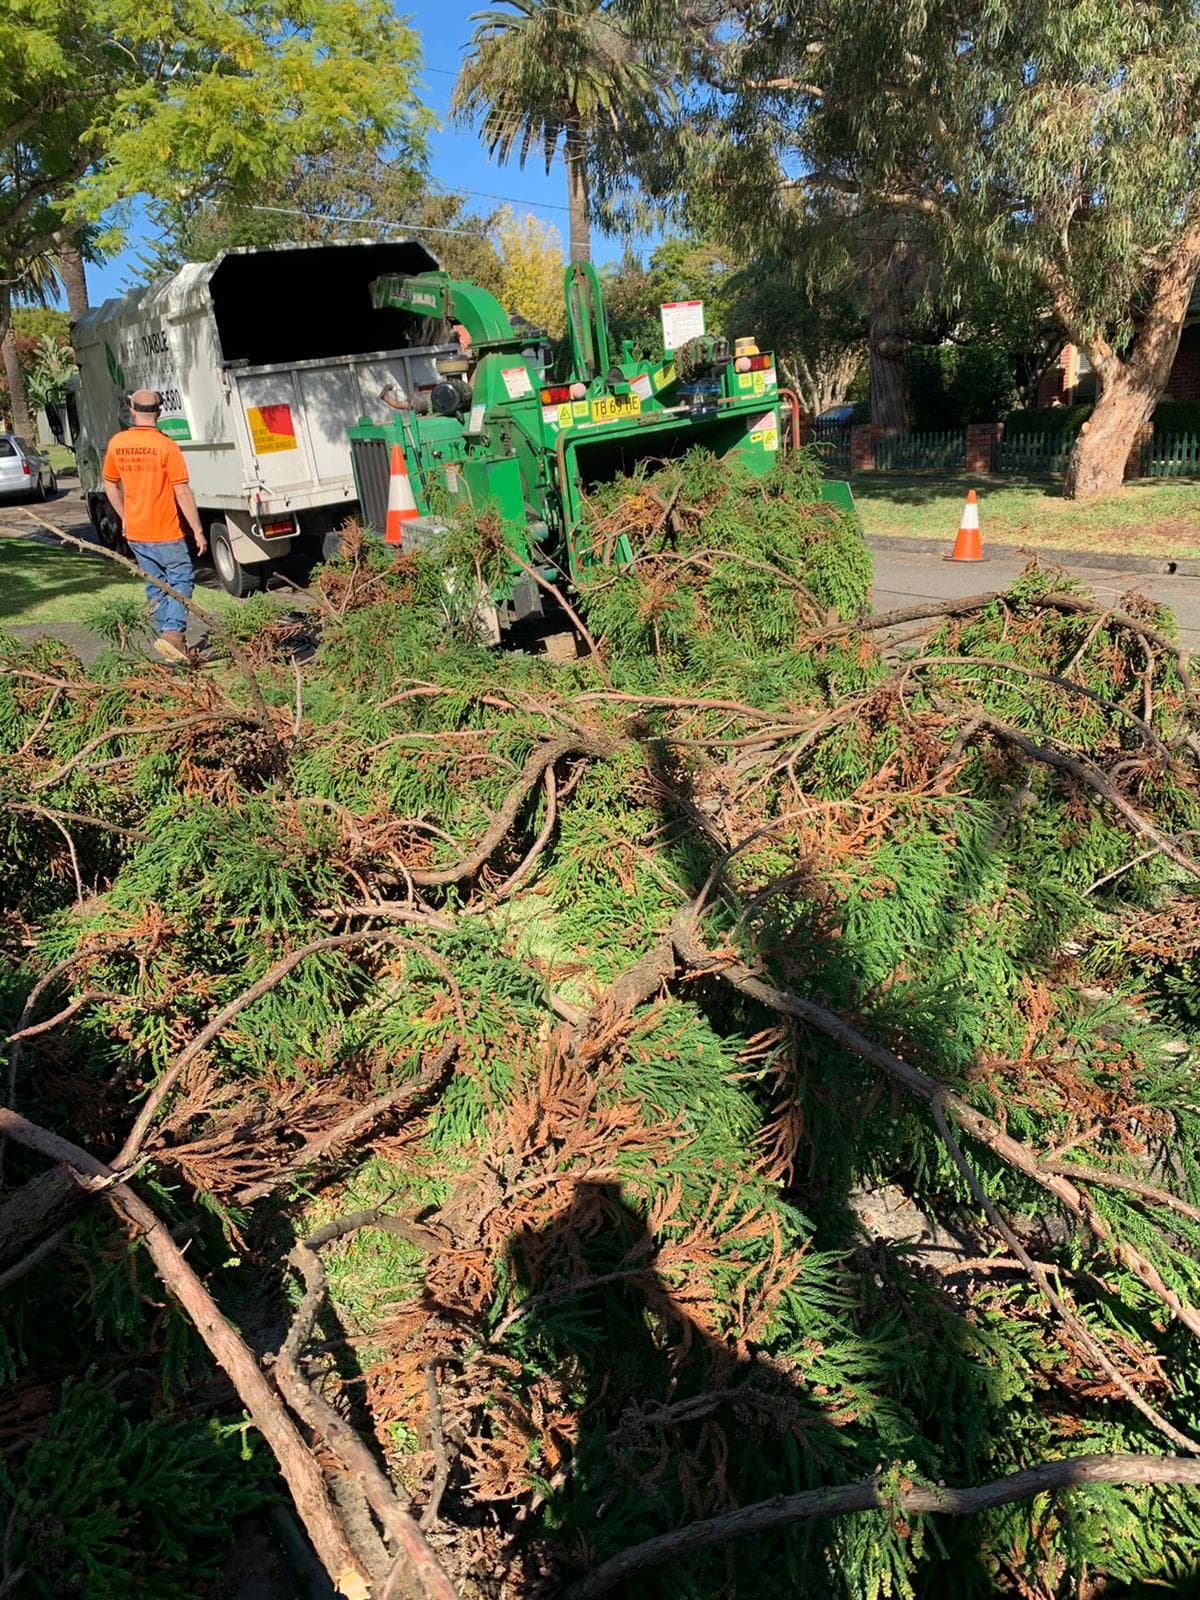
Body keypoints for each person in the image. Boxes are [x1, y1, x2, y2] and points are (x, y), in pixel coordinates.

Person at [103, 389, 206, 663]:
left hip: (137, 531)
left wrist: (124, 516)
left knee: (156, 587)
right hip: (166, 531)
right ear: (159, 412)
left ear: (132, 410)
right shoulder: (166, 446)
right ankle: (173, 632)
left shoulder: (117, 443)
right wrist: (197, 529)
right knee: (182, 578)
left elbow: (109, 484)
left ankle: (168, 644)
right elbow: (182, 492)